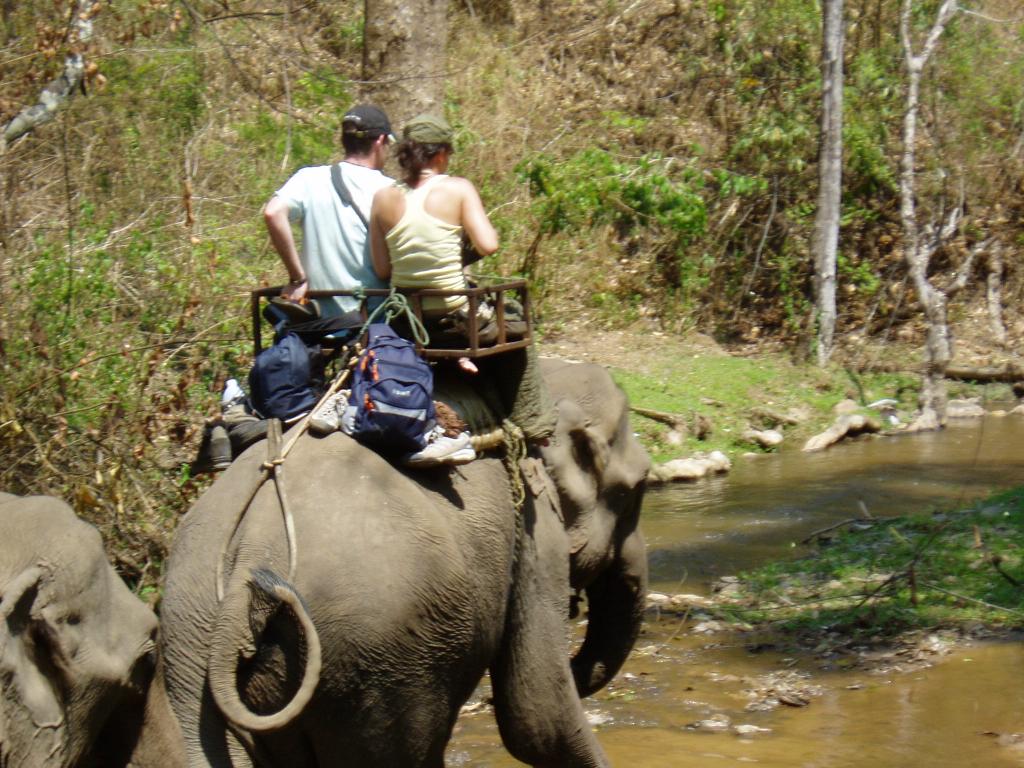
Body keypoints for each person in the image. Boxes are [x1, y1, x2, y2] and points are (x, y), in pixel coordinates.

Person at [370, 114, 555, 457]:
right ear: (441, 154)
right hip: (454, 320)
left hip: (406, 324)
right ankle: (534, 423)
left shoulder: (383, 197)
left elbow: (382, 269)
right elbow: (488, 245)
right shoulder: (457, 189)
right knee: (516, 319)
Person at [264, 103, 395, 319]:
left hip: (317, 322)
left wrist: (298, 278)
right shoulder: (391, 190)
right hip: (373, 322)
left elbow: (273, 212)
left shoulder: (308, 178)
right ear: (380, 141)